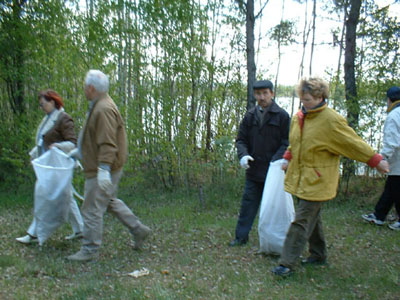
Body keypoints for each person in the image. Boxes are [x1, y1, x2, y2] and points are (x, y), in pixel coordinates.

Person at [272, 78, 389, 276]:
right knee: (312, 218)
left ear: (320, 97)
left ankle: (286, 264)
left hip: (318, 180)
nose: (303, 103)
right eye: (302, 98)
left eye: (307, 99)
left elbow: (352, 142)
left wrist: (375, 160)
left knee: (301, 221)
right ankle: (318, 255)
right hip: (302, 178)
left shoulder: (331, 120)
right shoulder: (299, 117)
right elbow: (296, 142)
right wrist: (288, 157)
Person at [67, 70, 151, 261]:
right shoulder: (98, 104)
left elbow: (107, 143)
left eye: (84, 85)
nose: (83, 88)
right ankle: (138, 230)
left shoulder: (103, 109)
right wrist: (80, 151)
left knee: (91, 208)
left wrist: (103, 169)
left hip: (103, 167)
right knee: (108, 201)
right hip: (103, 165)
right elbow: (93, 136)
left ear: (91, 88)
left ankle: (89, 250)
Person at [16, 89, 84, 244]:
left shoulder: (63, 118)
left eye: (43, 104)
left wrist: (58, 146)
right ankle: (80, 229)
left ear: (52, 101)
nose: (42, 107)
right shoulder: (48, 119)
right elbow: (43, 141)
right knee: (67, 196)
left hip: (59, 166)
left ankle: (33, 234)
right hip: (49, 165)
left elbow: (72, 143)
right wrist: (34, 153)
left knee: (43, 196)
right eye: (40, 105)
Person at [229, 80, 290, 246]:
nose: (261, 97)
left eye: (265, 93)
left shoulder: (283, 116)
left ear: (272, 93)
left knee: (274, 207)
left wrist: (277, 161)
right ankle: (240, 237)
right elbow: (241, 139)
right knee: (248, 204)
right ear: (254, 95)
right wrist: (243, 155)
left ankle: (276, 240)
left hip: (274, 172)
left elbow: (287, 142)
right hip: (254, 170)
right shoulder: (250, 116)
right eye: (258, 94)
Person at [362, 86, 400, 231]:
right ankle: (379, 215)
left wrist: (382, 159)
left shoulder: (394, 116)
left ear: (389, 100)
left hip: (397, 160)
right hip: (397, 161)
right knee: (391, 188)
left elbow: (392, 141)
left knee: (396, 189)